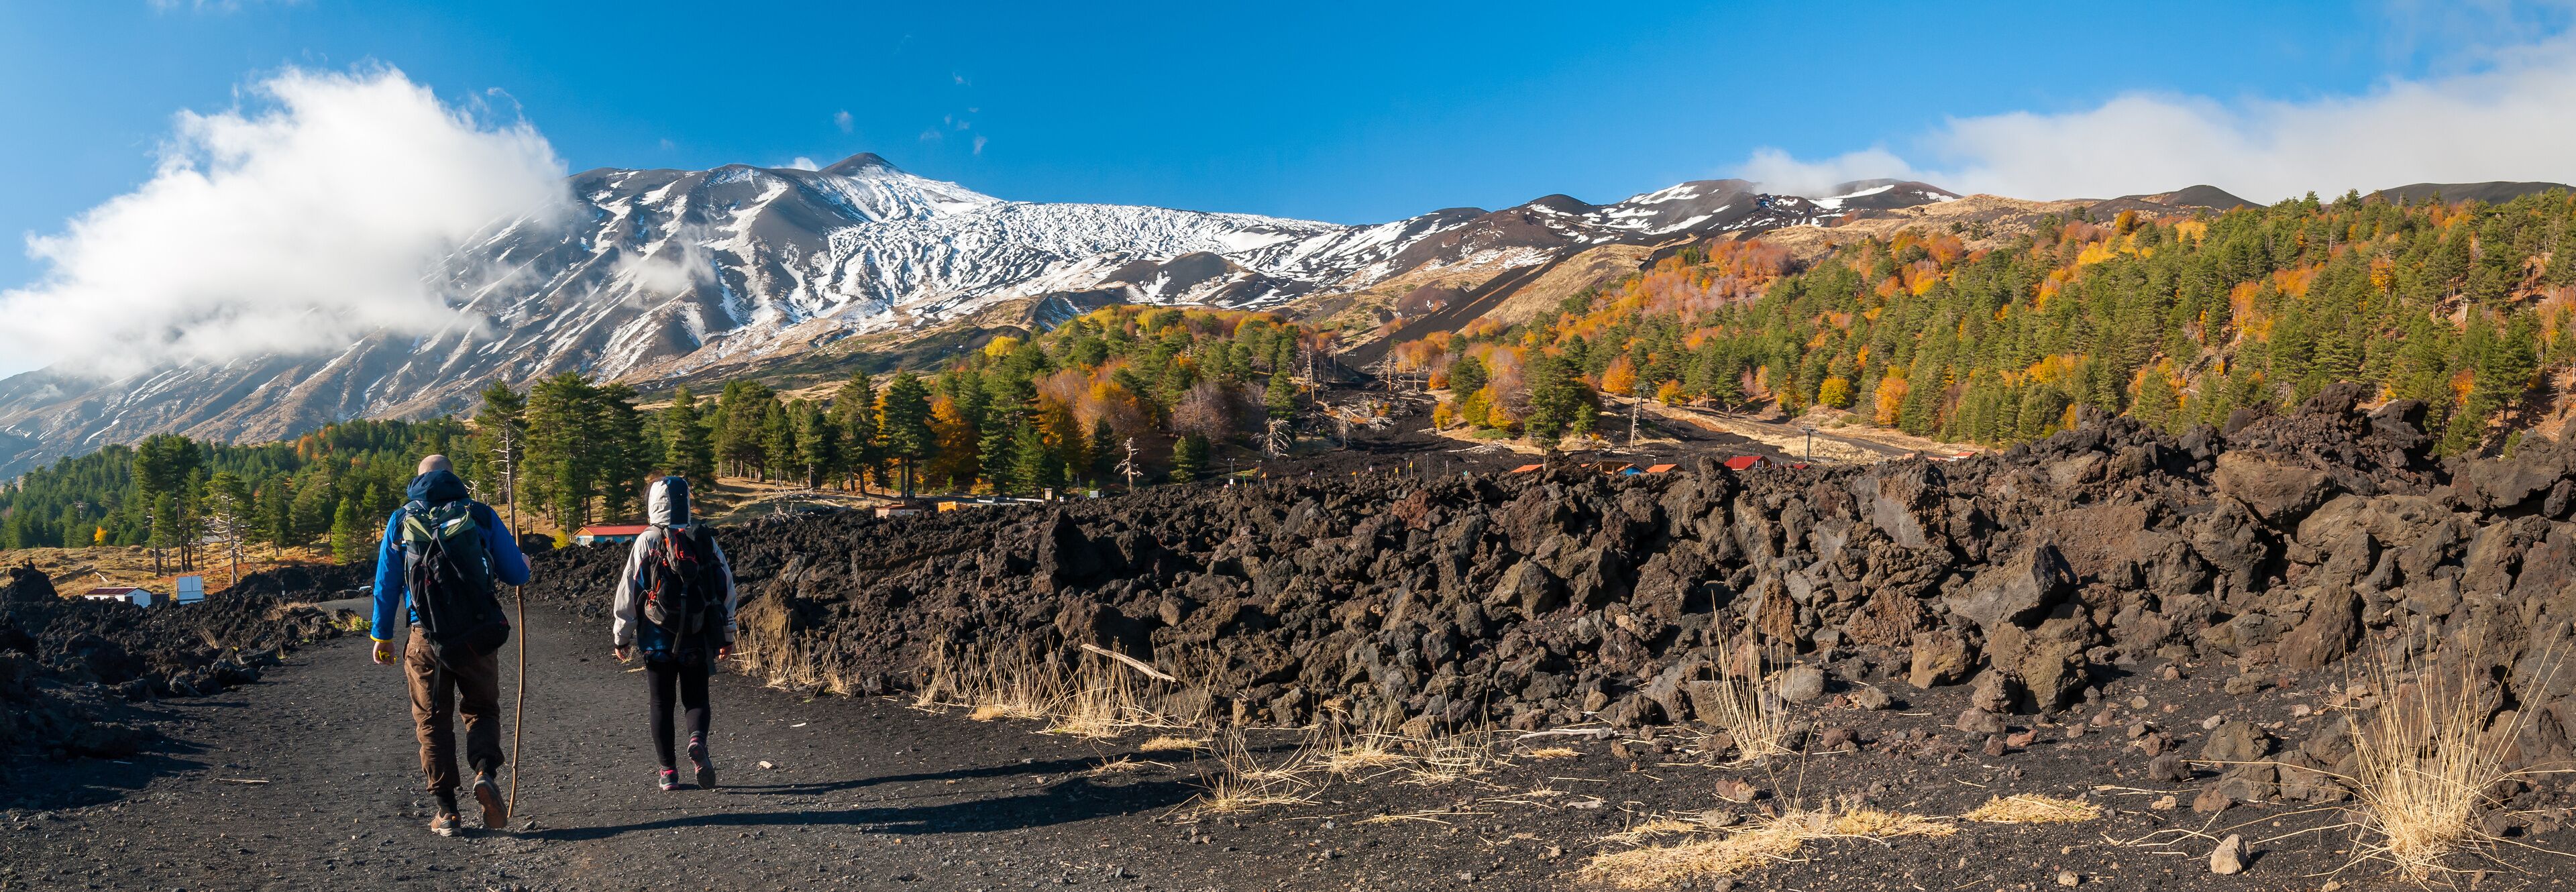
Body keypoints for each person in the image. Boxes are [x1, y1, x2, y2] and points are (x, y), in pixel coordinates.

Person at [370, 455, 531, 836]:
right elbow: (516, 573)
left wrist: (383, 636)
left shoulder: (400, 520)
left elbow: (385, 585)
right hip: (477, 634)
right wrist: (522, 561)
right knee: (482, 710)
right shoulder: (479, 513)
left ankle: (447, 813)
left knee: (432, 720)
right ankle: (484, 773)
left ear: (418, 479)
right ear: (452, 477)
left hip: (424, 637)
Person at [610, 476, 739, 791]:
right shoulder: (702, 539)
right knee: (696, 697)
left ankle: (668, 772)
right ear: (685, 502)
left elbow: (629, 590)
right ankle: (696, 740)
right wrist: (727, 633)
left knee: (661, 703)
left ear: (654, 504)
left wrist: (622, 636)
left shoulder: (647, 540)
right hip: (697, 635)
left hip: (656, 639)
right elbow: (725, 588)